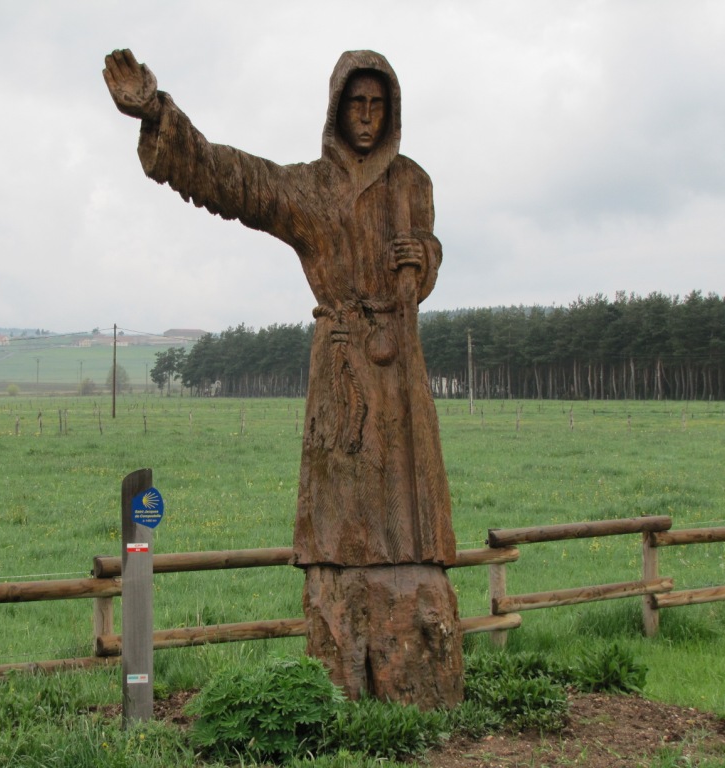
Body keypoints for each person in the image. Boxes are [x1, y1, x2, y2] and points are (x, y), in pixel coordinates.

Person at [104, 48, 462, 707]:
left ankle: (411, 594)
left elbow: (425, 253)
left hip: (400, 362)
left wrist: (426, 255)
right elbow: (234, 179)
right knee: (338, 516)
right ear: (336, 110)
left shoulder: (413, 181)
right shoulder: (311, 189)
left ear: (392, 112)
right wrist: (159, 115)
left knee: (412, 509)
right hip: (343, 362)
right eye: (355, 104)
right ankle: (341, 601)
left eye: (377, 105)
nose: (366, 116)